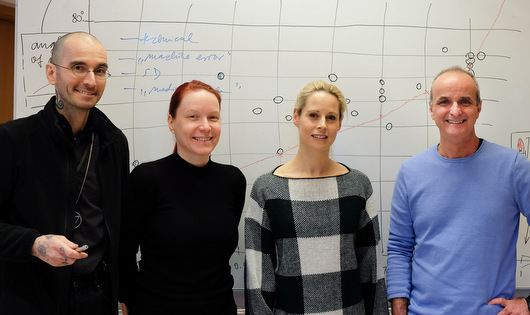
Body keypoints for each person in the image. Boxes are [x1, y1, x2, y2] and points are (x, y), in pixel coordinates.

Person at [0, 32, 130, 314]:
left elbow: (120, 230)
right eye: (78, 67)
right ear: (51, 72)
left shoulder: (114, 142)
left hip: (98, 300)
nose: (90, 81)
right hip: (31, 301)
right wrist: (34, 244)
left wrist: (124, 294)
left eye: (100, 70)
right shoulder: (12, 139)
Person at [386, 66, 530, 315]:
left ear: (478, 108)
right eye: (444, 101)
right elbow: (399, 248)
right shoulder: (410, 172)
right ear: (431, 109)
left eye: (465, 101)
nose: (455, 110)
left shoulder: (513, 168)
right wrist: (399, 311)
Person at [245, 80, 389, 314]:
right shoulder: (267, 189)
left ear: (339, 123)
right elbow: (258, 277)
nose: (322, 125)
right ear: (296, 116)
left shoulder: (358, 185)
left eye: (331, 117)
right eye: (313, 115)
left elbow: (371, 268)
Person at [118, 80, 246, 314]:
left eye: (213, 117)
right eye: (193, 117)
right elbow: (123, 252)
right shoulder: (147, 179)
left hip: (220, 307)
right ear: (171, 122)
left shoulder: (233, 180)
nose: (205, 126)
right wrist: (128, 301)